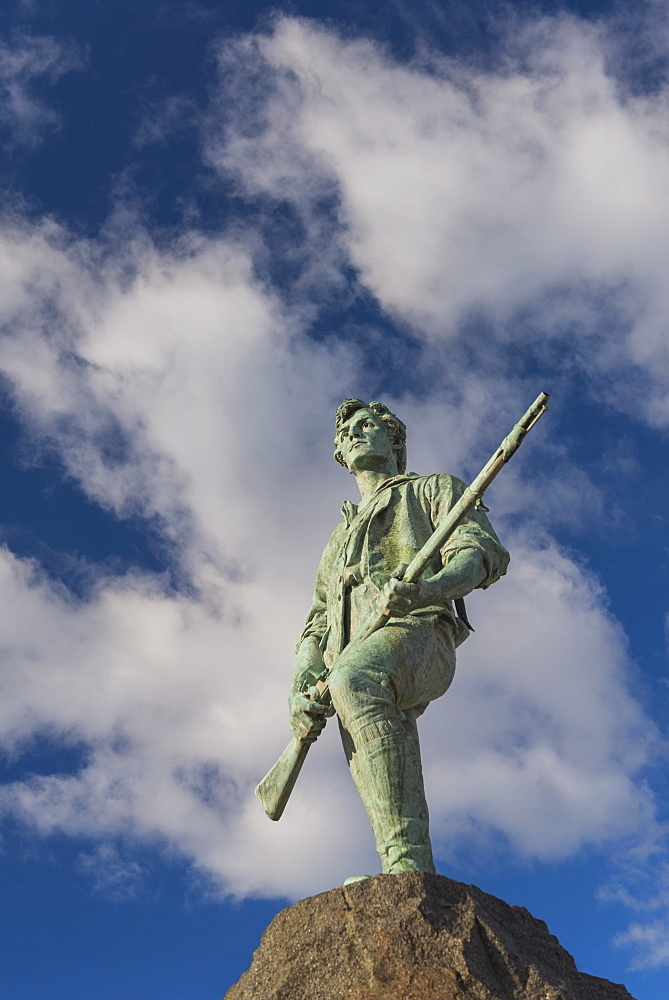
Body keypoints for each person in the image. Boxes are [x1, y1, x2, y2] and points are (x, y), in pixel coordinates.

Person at [289, 399, 509, 876]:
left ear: (394, 441)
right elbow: (317, 622)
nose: (353, 434)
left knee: (355, 678)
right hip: (354, 657)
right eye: (345, 432)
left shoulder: (432, 489)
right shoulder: (337, 539)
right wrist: (301, 682)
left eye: (366, 425)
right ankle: (405, 866)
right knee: (368, 710)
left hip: (422, 633)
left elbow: (478, 555)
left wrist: (427, 590)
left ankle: (406, 862)